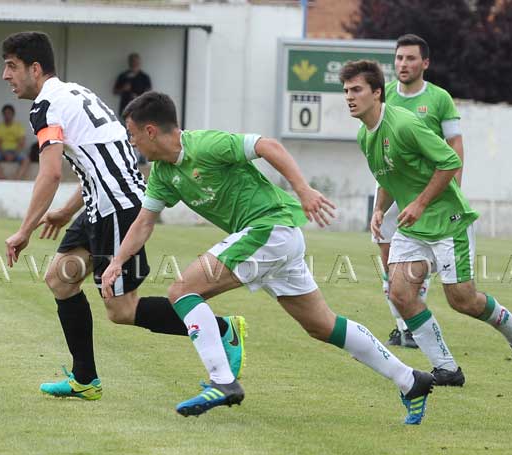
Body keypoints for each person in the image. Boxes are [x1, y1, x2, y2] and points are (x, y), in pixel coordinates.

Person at [101, 91, 435, 425]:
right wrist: (117, 262)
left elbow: (268, 145)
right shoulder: (162, 172)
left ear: (150, 131)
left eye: (132, 134)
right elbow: (144, 222)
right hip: (276, 239)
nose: (132, 143)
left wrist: (303, 189)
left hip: (269, 228)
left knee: (182, 290)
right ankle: (410, 380)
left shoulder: (205, 145)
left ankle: (222, 380)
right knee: (322, 325)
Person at [0, 31, 245, 401]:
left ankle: (221, 329)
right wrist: (67, 211)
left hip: (117, 207)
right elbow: (102, 160)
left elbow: (50, 174)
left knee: (121, 309)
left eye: (11, 66)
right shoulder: (75, 93)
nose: (5, 75)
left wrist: (24, 231)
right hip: (102, 204)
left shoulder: (46, 108)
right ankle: (85, 379)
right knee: (60, 279)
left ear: (35, 69)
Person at [340, 59, 512, 389]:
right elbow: (388, 176)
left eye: (356, 90)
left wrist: (420, 203)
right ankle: (447, 369)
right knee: (399, 293)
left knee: (462, 299)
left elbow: (449, 161)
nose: (349, 97)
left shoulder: (404, 124)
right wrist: (378, 210)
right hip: (413, 226)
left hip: (448, 221)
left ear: (377, 93)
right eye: (346, 91)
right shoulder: (365, 136)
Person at [377, 36, 464, 355]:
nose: (403, 64)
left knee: (419, 263)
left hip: (427, 193)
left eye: (411, 58)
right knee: (389, 261)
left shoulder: (439, 99)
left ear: (425, 63)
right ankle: (403, 326)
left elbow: (454, 145)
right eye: (399, 58)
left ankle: (413, 327)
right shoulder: (384, 95)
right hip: (391, 186)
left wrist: (455, 187)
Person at [0, 104, 30, 180]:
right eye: (5, 113)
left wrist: (14, 154)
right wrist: (4, 154)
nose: (7, 115)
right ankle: (2, 178)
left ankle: (16, 179)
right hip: (2, 151)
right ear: (3, 115)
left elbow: (21, 143)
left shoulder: (18, 126)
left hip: (16, 151)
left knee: (26, 160)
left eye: (9, 113)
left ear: (13, 114)